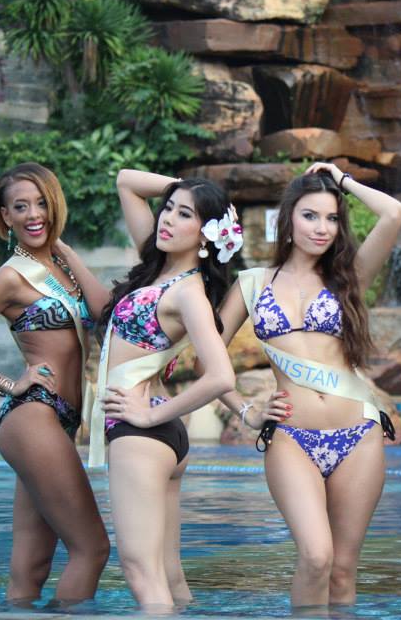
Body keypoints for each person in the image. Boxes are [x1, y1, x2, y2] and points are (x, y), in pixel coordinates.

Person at [215, 162, 401, 610]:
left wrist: (342, 180)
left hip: (358, 435)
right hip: (292, 437)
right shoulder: (251, 284)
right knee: (317, 557)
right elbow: (209, 358)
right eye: (310, 215)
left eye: (332, 218)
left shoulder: (349, 277)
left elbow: (394, 213)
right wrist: (245, 410)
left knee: (342, 569)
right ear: (288, 219)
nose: (322, 228)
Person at [89, 169, 277, 613]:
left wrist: (151, 415)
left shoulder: (189, 292)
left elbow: (220, 376)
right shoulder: (157, 269)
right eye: (168, 208)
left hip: (142, 431)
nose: (168, 219)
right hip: (158, 436)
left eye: (185, 214)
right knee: (169, 574)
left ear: (206, 233)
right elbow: (126, 182)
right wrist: (192, 191)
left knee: (140, 569)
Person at [0, 163, 109, 605]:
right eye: (20, 207)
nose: (33, 215)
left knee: (31, 567)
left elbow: (104, 313)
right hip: (33, 416)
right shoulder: (10, 277)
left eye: (41, 204)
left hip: (61, 422)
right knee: (92, 549)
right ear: (5, 216)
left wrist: (65, 251)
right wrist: (8, 383)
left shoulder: (61, 266)